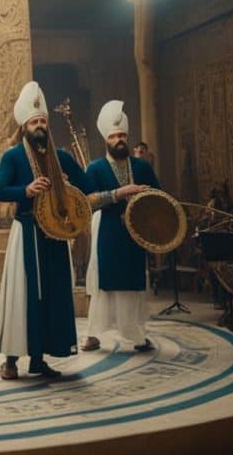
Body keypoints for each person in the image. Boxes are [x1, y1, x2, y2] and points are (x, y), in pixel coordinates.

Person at [0, 81, 92, 380]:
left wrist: (69, 183)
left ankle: (39, 358)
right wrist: (27, 189)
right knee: (22, 296)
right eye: (34, 122)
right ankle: (10, 360)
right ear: (24, 126)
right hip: (27, 233)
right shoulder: (12, 157)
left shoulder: (60, 156)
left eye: (43, 121)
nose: (39, 126)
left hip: (55, 235)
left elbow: (87, 186)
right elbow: (0, 191)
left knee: (53, 294)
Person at [80, 101, 159, 353]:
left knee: (133, 282)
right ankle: (93, 334)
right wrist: (117, 193)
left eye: (122, 135)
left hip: (136, 232)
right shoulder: (95, 168)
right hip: (109, 228)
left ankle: (136, 335)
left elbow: (159, 198)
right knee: (105, 283)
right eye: (114, 136)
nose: (119, 140)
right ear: (106, 139)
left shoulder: (142, 167)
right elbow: (88, 201)